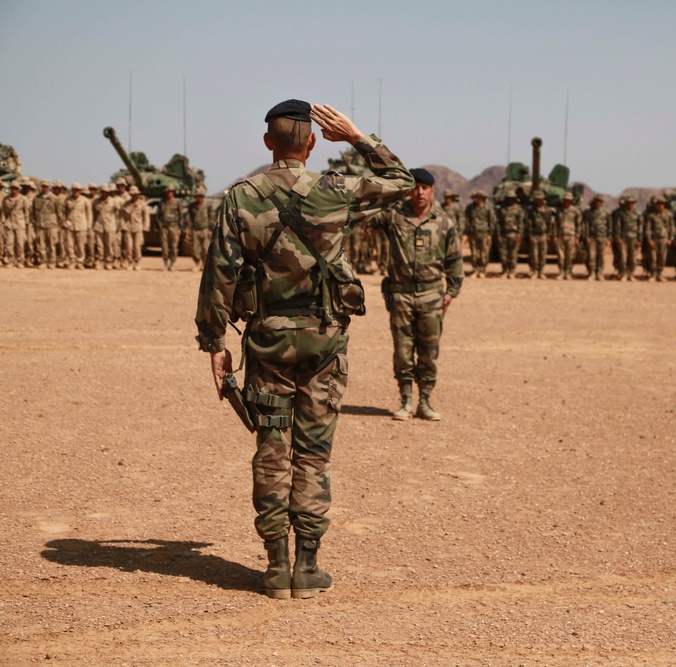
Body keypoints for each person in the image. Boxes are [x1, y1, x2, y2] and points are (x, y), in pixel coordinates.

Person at [195, 100, 413, 600]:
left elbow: (219, 275)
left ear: (268, 142)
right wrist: (357, 137)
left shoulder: (241, 197)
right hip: (324, 343)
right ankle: (308, 566)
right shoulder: (335, 191)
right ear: (313, 142)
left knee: (272, 449)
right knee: (314, 451)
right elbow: (402, 182)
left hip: (268, 340)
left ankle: (275, 566)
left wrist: (215, 344)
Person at [368, 168, 462, 421]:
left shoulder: (444, 222)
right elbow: (365, 215)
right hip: (401, 295)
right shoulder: (394, 217)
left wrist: (452, 291)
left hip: (432, 294)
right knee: (403, 351)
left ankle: (425, 401)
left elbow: (454, 259)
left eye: (424, 188)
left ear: (433, 192)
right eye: (415, 187)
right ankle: (406, 400)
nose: (419, 192)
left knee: (429, 351)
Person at [465, 190, 495, 278]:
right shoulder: (470, 207)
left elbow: (492, 221)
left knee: (484, 253)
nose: (478, 199)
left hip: (484, 234)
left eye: (480, 197)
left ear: (483, 198)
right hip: (473, 234)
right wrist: (467, 233)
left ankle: (482, 270)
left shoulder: (488, 208)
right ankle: (475, 270)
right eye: (477, 197)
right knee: (474, 254)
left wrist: (490, 234)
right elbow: (467, 220)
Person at [119, 185, 149, 271]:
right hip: (128, 227)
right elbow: (122, 216)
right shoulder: (126, 204)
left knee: (137, 246)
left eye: (135, 194)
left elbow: (146, 216)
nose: (133, 195)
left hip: (138, 227)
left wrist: (145, 226)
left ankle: (137, 262)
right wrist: (121, 226)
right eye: (132, 194)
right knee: (129, 246)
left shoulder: (142, 204)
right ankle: (130, 262)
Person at [159, 184, 186, 270]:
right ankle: (166, 263)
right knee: (164, 246)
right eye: (168, 192)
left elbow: (181, 216)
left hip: (174, 227)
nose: (169, 193)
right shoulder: (162, 202)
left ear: (173, 193)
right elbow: (158, 215)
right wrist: (159, 226)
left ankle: (172, 263)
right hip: (164, 227)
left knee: (174, 246)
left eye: (170, 192)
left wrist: (181, 228)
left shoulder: (177, 202)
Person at [188, 190, 214, 270]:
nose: (198, 198)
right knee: (194, 248)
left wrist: (210, 229)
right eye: (196, 196)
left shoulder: (207, 205)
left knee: (205, 248)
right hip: (195, 229)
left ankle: (204, 264)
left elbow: (211, 217)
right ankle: (197, 263)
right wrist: (189, 229)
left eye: (199, 196)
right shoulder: (192, 206)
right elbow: (190, 217)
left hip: (205, 229)